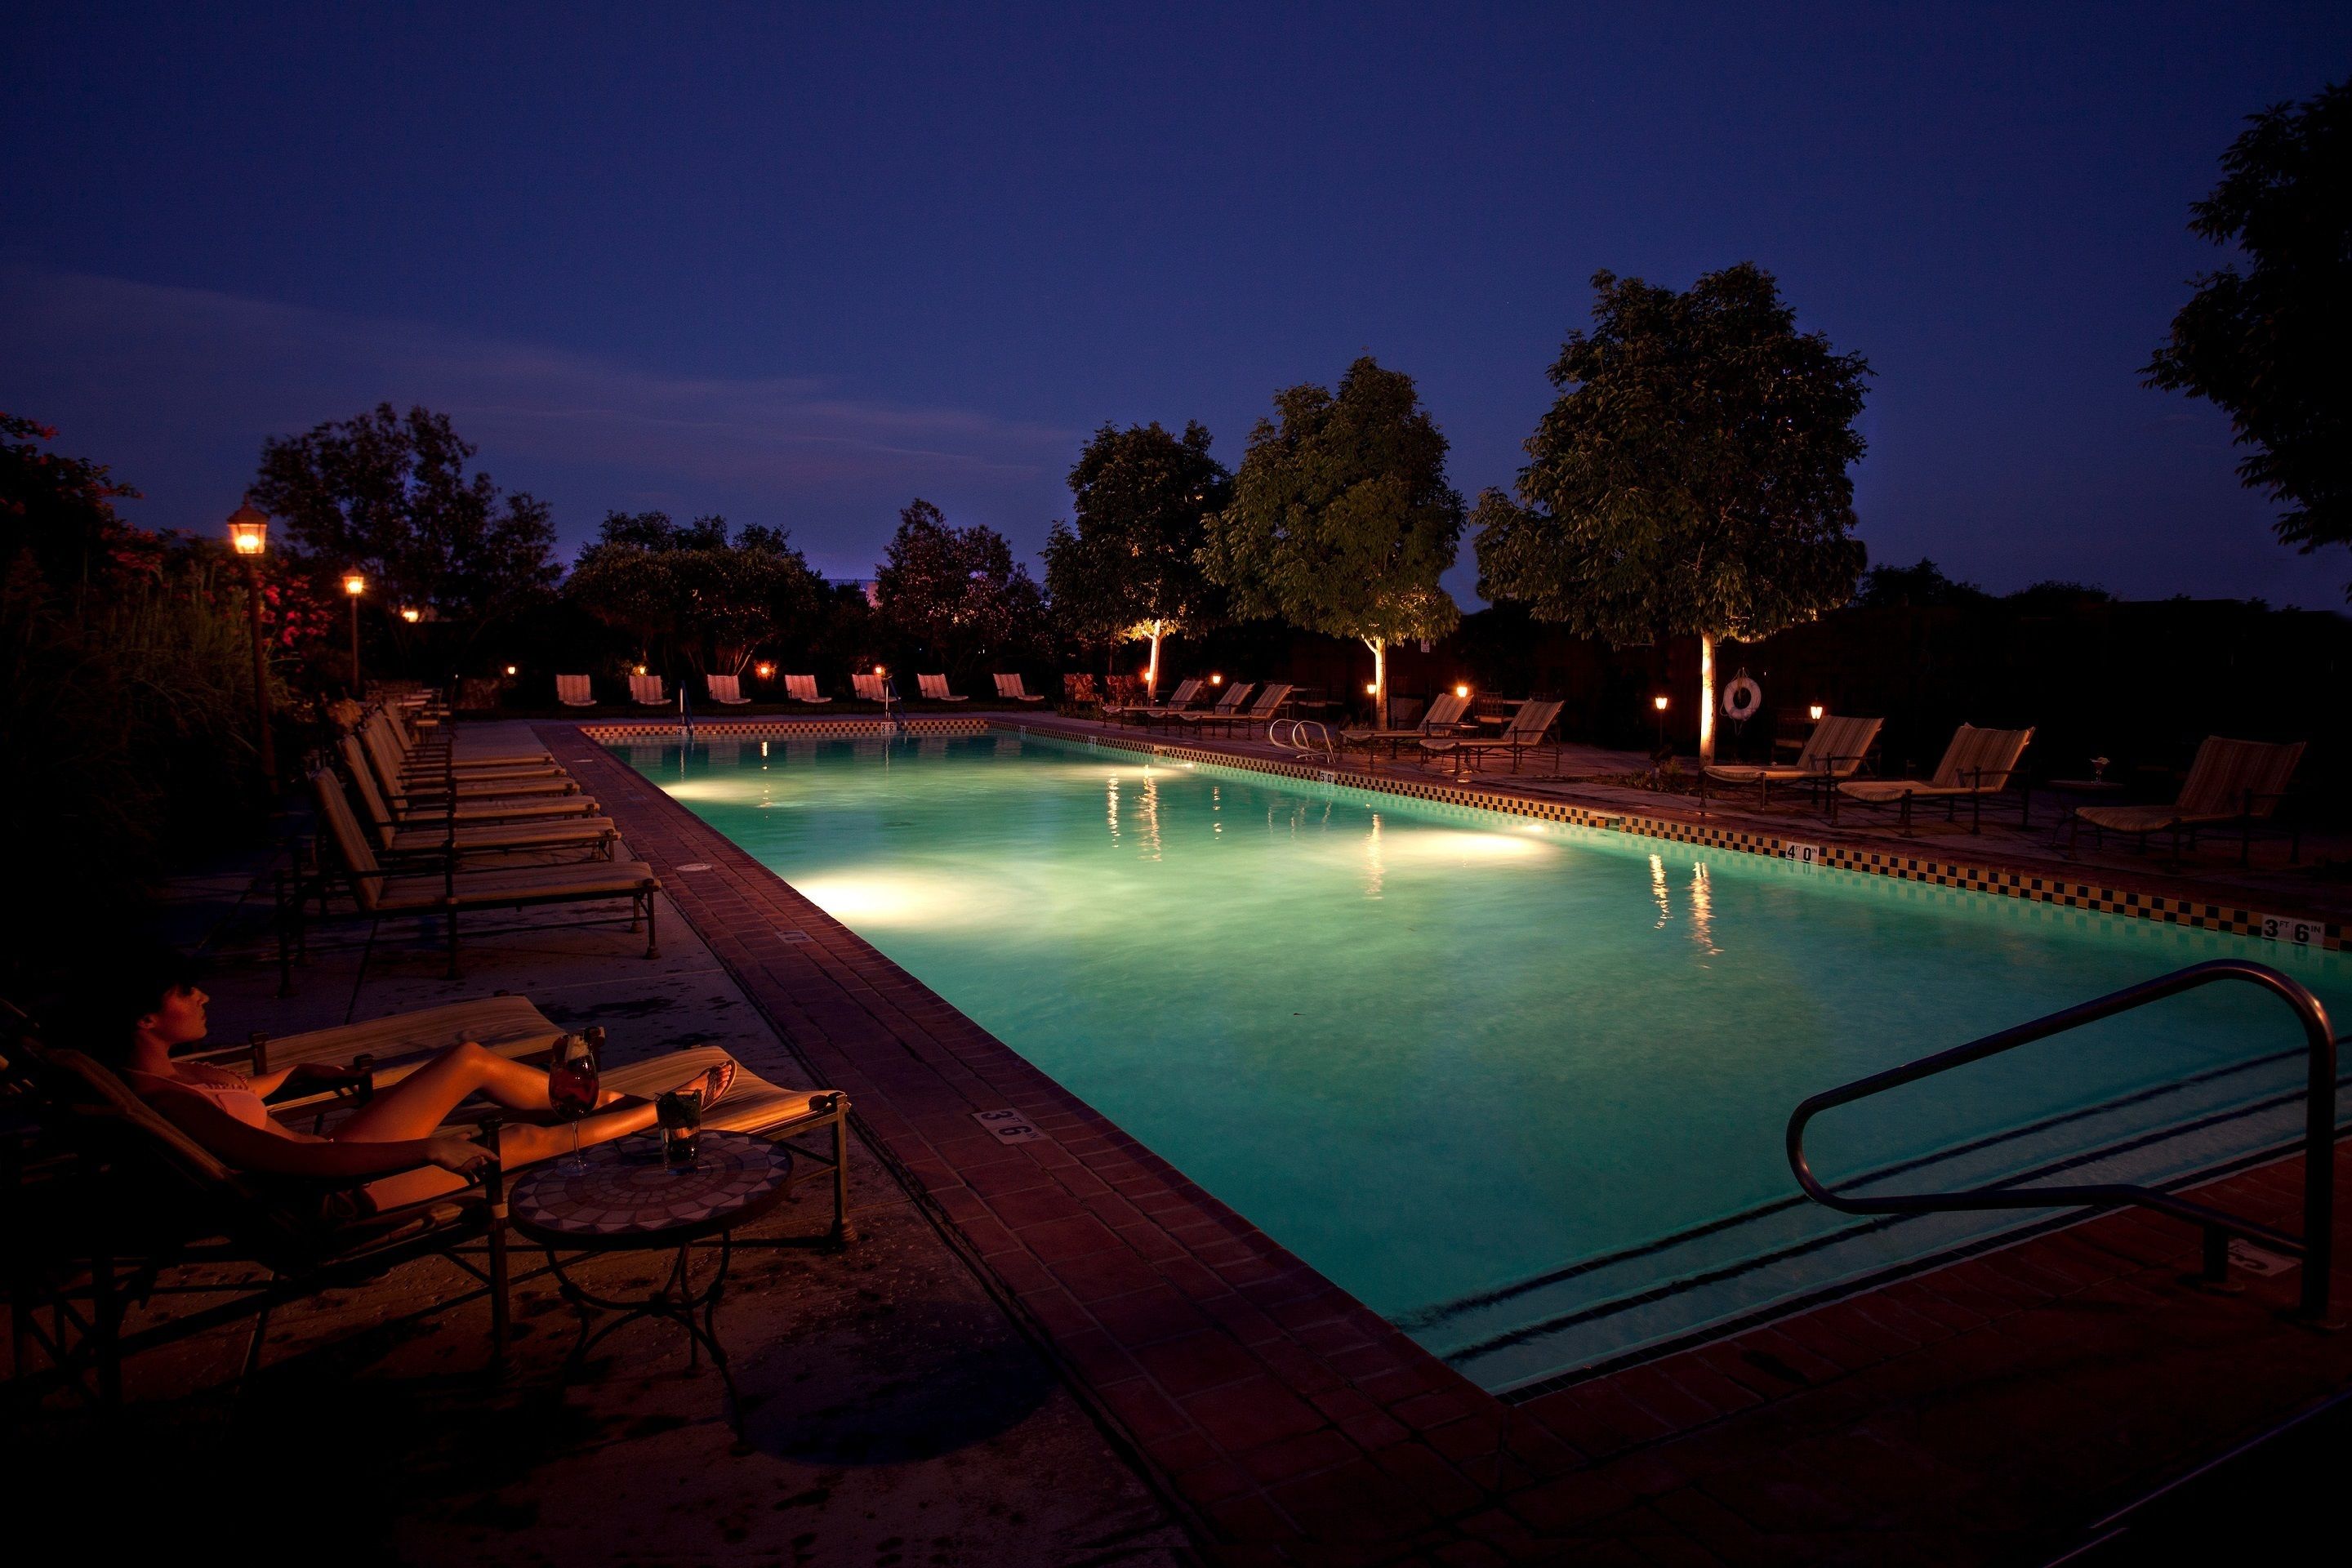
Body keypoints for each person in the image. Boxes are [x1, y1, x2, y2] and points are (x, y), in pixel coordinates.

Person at [113, 952, 733, 1211]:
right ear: (144, 1017)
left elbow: (243, 1095)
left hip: (338, 1157)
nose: (204, 997)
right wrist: (426, 1148)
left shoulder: (169, 1071)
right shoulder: (166, 1099)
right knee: (511, 1142)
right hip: (331, 1192)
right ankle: (670, 1109)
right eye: (184, 993)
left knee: (468, 1059)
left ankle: (587, 1099)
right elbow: (280, 1159)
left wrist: (294, 1073)